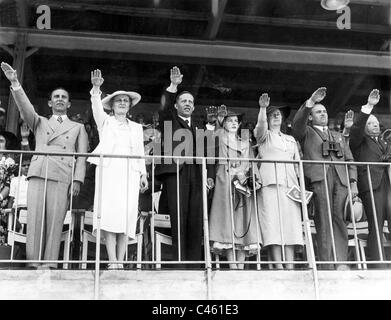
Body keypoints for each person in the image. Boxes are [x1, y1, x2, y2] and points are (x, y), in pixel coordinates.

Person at [1, 62, 88, 269]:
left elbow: (82, 156)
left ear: (69, 104)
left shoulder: (78, 127)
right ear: (50, 103)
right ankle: (33, 262)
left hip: (62, 174)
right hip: (39, 172)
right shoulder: (39, 121)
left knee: (56, 219)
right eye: (56, 97)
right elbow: (25, 108)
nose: (59, 99)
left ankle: (49, 263)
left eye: (63, 97)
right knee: (35, 218)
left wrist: (77, 179)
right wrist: (15, 83)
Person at [88, 69, 148, 270]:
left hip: (130, 173)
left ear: (129, 106)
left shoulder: (137, 128)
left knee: (126, 217)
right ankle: (112, 260)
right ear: (112, 105)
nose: (122, 103)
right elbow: (96, 107)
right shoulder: (105, 122)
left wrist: (143, 174)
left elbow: (140, 152)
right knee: (110, 215)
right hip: (110, 172)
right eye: (118, 100)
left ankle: (120, 261)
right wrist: (96, 88)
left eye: (125, 101)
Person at [292, 87, 357, 270]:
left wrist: (353, 183)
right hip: (320, 178)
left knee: (339, 220)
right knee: (324, 220)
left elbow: (350, 159)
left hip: (341, 180)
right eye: (318, 112)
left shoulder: (337, 136)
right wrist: (310, 102)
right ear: (311, 116)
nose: (323, 114)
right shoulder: (306, 132)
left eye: (325, 112)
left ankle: (341, 262)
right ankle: (327, 264)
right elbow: (297, 124)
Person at [155, 66, 203, 267]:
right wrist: (174, 86)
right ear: (176, 106)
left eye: (190, 102)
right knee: (179, 217)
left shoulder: (198, 126)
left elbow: (202, 154)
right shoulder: (170, 119)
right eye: (183, 101)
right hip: (176, 173)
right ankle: (178, 264)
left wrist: (206, 177)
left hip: (195, 175)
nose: (187, 104)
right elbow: (163, 107)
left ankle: (193, 264)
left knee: (195, 218)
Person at [254, 93, 303, 270]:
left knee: (290, 225)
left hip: (290, 186)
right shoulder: (264, 136)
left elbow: (298, 165)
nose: (276, 116)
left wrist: (301, 187)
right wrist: (262, 109)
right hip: (270, 185)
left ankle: (289, 265)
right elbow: (260, 127)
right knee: (272, 224)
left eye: (279, 114)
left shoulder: (290, 140)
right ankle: (278, 265)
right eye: (272, 114)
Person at [207, 109, 261, 269]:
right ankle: (232, 266)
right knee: (227, 222)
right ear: (223, 123)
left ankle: (241, 267)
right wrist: (215, 121)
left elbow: (251, 162)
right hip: (225, 182)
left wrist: (253, 180)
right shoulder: (218, 137)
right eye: (230, 120)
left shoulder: (245, 142)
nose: (233, 123)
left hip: (243, 183)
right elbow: (208, 141)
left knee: (242, 222)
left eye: (236, 121)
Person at [349, 89, 391, 267]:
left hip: (387, 185)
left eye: (376, 122)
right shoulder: (359, 140)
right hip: (372, 187)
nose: (375, 125)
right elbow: (357, 128)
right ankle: (379, 265)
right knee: (377, 224)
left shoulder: (384, 141)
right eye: (370, 123)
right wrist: (369, 107)